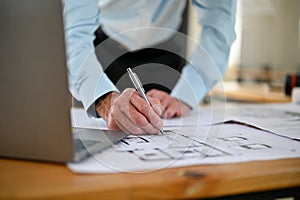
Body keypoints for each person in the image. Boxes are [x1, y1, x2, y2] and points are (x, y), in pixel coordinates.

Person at [63, 0, 237, 134]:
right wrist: (103, 99)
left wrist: (187, 92)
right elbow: (73, 32)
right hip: (98, 52)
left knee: (165, 128)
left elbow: (219, 27)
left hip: (165, 54)